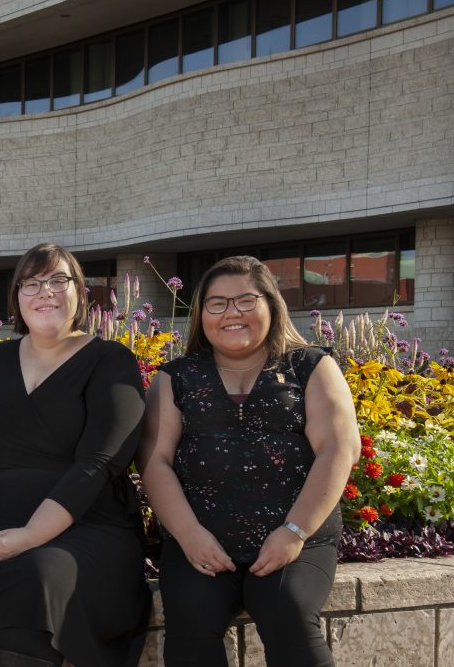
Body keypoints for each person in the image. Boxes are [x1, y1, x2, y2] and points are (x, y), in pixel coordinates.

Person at [0, 243, 152, 667]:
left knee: (33, 586)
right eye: (32, 283)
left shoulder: (111, 361)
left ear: (79, 291)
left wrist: (28, 536)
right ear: (16, 296)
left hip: (85, 522)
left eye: (58, 280)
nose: (45, 292)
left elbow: (98, 464)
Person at [137, 255, 361, 667]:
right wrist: (189, 535)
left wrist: (294, 531)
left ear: (271, 305)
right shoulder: (174, 378)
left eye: (245, 300)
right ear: (202, 313)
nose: (231, 313)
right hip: (201, 543)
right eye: (217, 303)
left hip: (296, 539)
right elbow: (154, 461)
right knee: (190, 623)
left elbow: (339, 448)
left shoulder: (311, 366)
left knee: (289, 612)